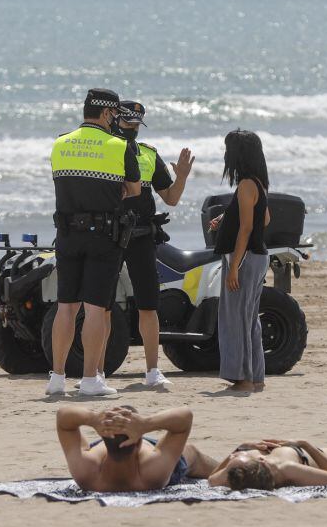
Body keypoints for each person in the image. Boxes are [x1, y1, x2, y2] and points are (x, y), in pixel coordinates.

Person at [47, 89, 141, 398]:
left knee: (65, 308)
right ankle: (90, 379)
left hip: (67, 235)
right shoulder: (120, 146)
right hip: (103, 236)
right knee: (96, 309)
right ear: (105, 114)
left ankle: (57, 378)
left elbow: (64, 182)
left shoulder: (60, 143)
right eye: (114, 115)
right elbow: (135, 189)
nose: (116, 121)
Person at [98, 100, 195, 389]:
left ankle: (152, 371)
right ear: (115, 121)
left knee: (148, 304)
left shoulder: (149, 155)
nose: (133, 130)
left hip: (141, 236)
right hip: (110, 236)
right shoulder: (103, 151)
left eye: (137, 125)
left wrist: (183, 177)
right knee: (101, 306)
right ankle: (97, 372)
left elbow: (172, 198)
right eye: (128, 124)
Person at [208, 129, 271, 392]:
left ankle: (243, 379)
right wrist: (226, 218)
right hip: (258, 257)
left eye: (227, 150)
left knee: (237, 318)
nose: (225, 155)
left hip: (245, 259)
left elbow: (246, 228)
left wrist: (234, 265)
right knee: (248, 318)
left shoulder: (246, 185)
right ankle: (255, 377)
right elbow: (264, 219)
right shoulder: (257, 183)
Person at [55, 405, 218, 492]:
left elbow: (63, 416)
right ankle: (221, 468)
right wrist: (146, 424)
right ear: (139, 443)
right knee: (191, 453)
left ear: (103, 442)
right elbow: (185, 416)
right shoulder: (153, 473)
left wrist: (94, 419)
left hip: (113, 446)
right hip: (147, 454)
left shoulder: (86, 471)